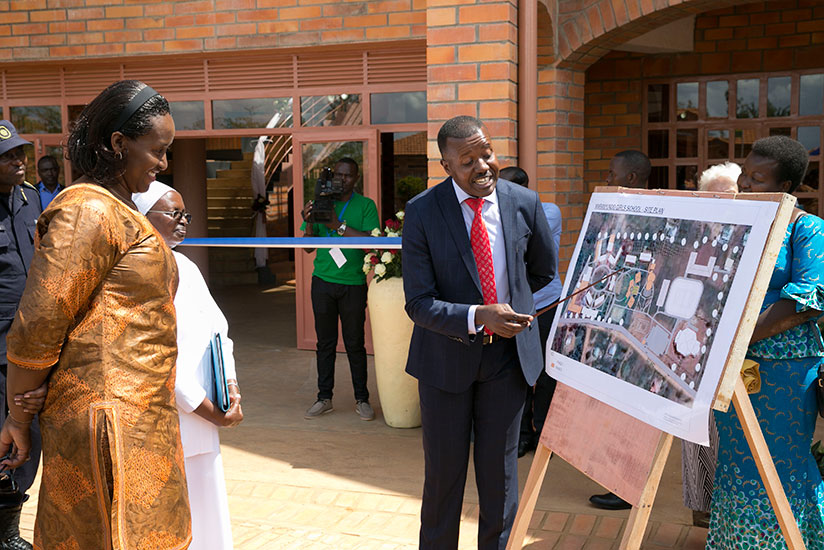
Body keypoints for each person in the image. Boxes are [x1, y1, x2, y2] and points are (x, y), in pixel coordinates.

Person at [0, 80, 191, 550]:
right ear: (118, 144)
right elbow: (38, 326)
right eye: (157, 151)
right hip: (108, 427)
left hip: (141, 417)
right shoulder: (87, 209)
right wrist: (18, 418)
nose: (164, 164)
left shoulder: (119, 209)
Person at [403, 116, 557, 549]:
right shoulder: (422, 212)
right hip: (444, 362)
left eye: (486, 153)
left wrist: (511, 311)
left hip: (507, 361)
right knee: (444, 478)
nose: (482, 165)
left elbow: (542, 272)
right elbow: (418, 302)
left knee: (500, 476)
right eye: (467, 160)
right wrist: (478, 315)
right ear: (446, 165)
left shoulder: (524, 202)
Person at [707, 136, 824, 549]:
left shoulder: (807, 228)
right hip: (732, 366)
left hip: (785, 370)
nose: (746, 186)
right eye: (745, 175)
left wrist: (738, 338)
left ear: (788, 185)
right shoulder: (740, 224)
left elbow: (809, 298)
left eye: (758, 179)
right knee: (737, 463)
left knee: (779, 464)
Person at [134, 181, 242, 550]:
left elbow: (219, 332)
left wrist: (228, 388)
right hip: (171, 416)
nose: (183, 222)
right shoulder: (136, 271)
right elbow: (159, 356)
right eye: (174, 214)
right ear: (143, 217)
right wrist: (207, 408)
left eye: (186, 215)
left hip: (203, 414)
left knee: (207, 517)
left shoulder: (186, 266)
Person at [679, 162, 740, 529]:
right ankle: (702, 507)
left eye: (729, 193)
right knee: (695, 424)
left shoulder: (752, 234)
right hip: (694, 339)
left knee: (730, 428)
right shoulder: (695, 233)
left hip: (738, 343)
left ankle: (728, 508)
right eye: (712, 194)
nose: (720, 200)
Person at [589, 149, 651, 511]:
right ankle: (614, 478)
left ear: (630, 178)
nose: (607, 179)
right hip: (609, 321)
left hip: (632, 326)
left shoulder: (647, 219)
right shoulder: (615, 214)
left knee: (630, 410)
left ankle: (625, 486)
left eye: (612, 173)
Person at [300, 158, 380, 421]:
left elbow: (372, 242)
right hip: (322, 281)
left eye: (348, 176)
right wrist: (310, 221)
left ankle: (362, 399)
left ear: (355, 178)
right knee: (325, 343)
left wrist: (338, 225)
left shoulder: (366, 205)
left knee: (355, 343)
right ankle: (324, 397)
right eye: (339, 175)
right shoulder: (323, 201)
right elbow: (308, 247)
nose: (342, 179)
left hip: (353, 284)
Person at [499, 166, 563, 458]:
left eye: (506, 186)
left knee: (547, 375)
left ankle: (545, 435)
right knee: (519, 372)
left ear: (523, 188)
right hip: (515, 307)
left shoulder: (548, 212)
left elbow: (519, 244)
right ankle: (522, 435)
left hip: (546, 304)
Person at [0, 120, 42, 550]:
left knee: (30, 442)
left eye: (20, 153)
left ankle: (9, 527)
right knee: (3, 441)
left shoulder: (30, 199)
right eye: (9, 156)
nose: (19, 161)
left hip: (32, 349)